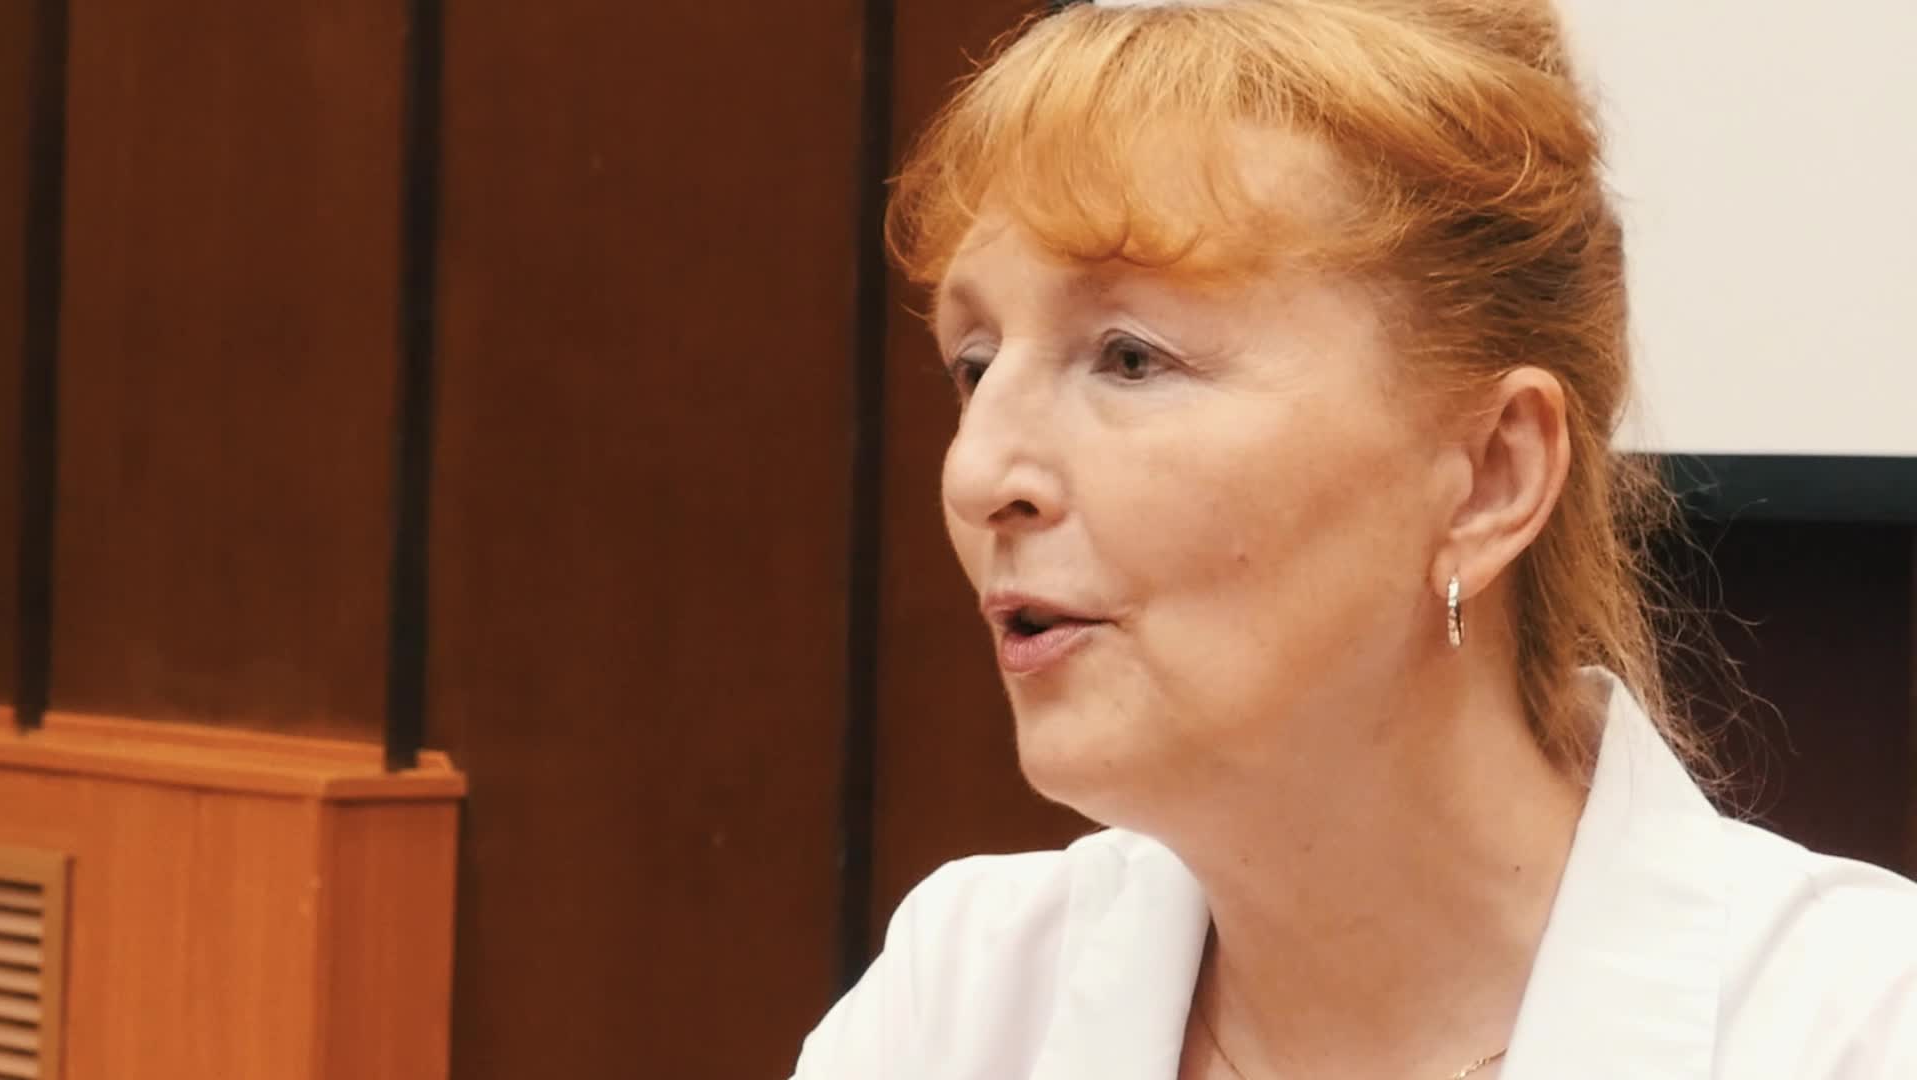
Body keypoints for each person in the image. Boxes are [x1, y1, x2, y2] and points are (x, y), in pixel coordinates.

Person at [791, 0, 1917, 1076]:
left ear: (1489, 478)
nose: (978, 474)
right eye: (974, 365)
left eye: (1130, 358)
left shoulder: (1859, 1034)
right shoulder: (960, 1005)